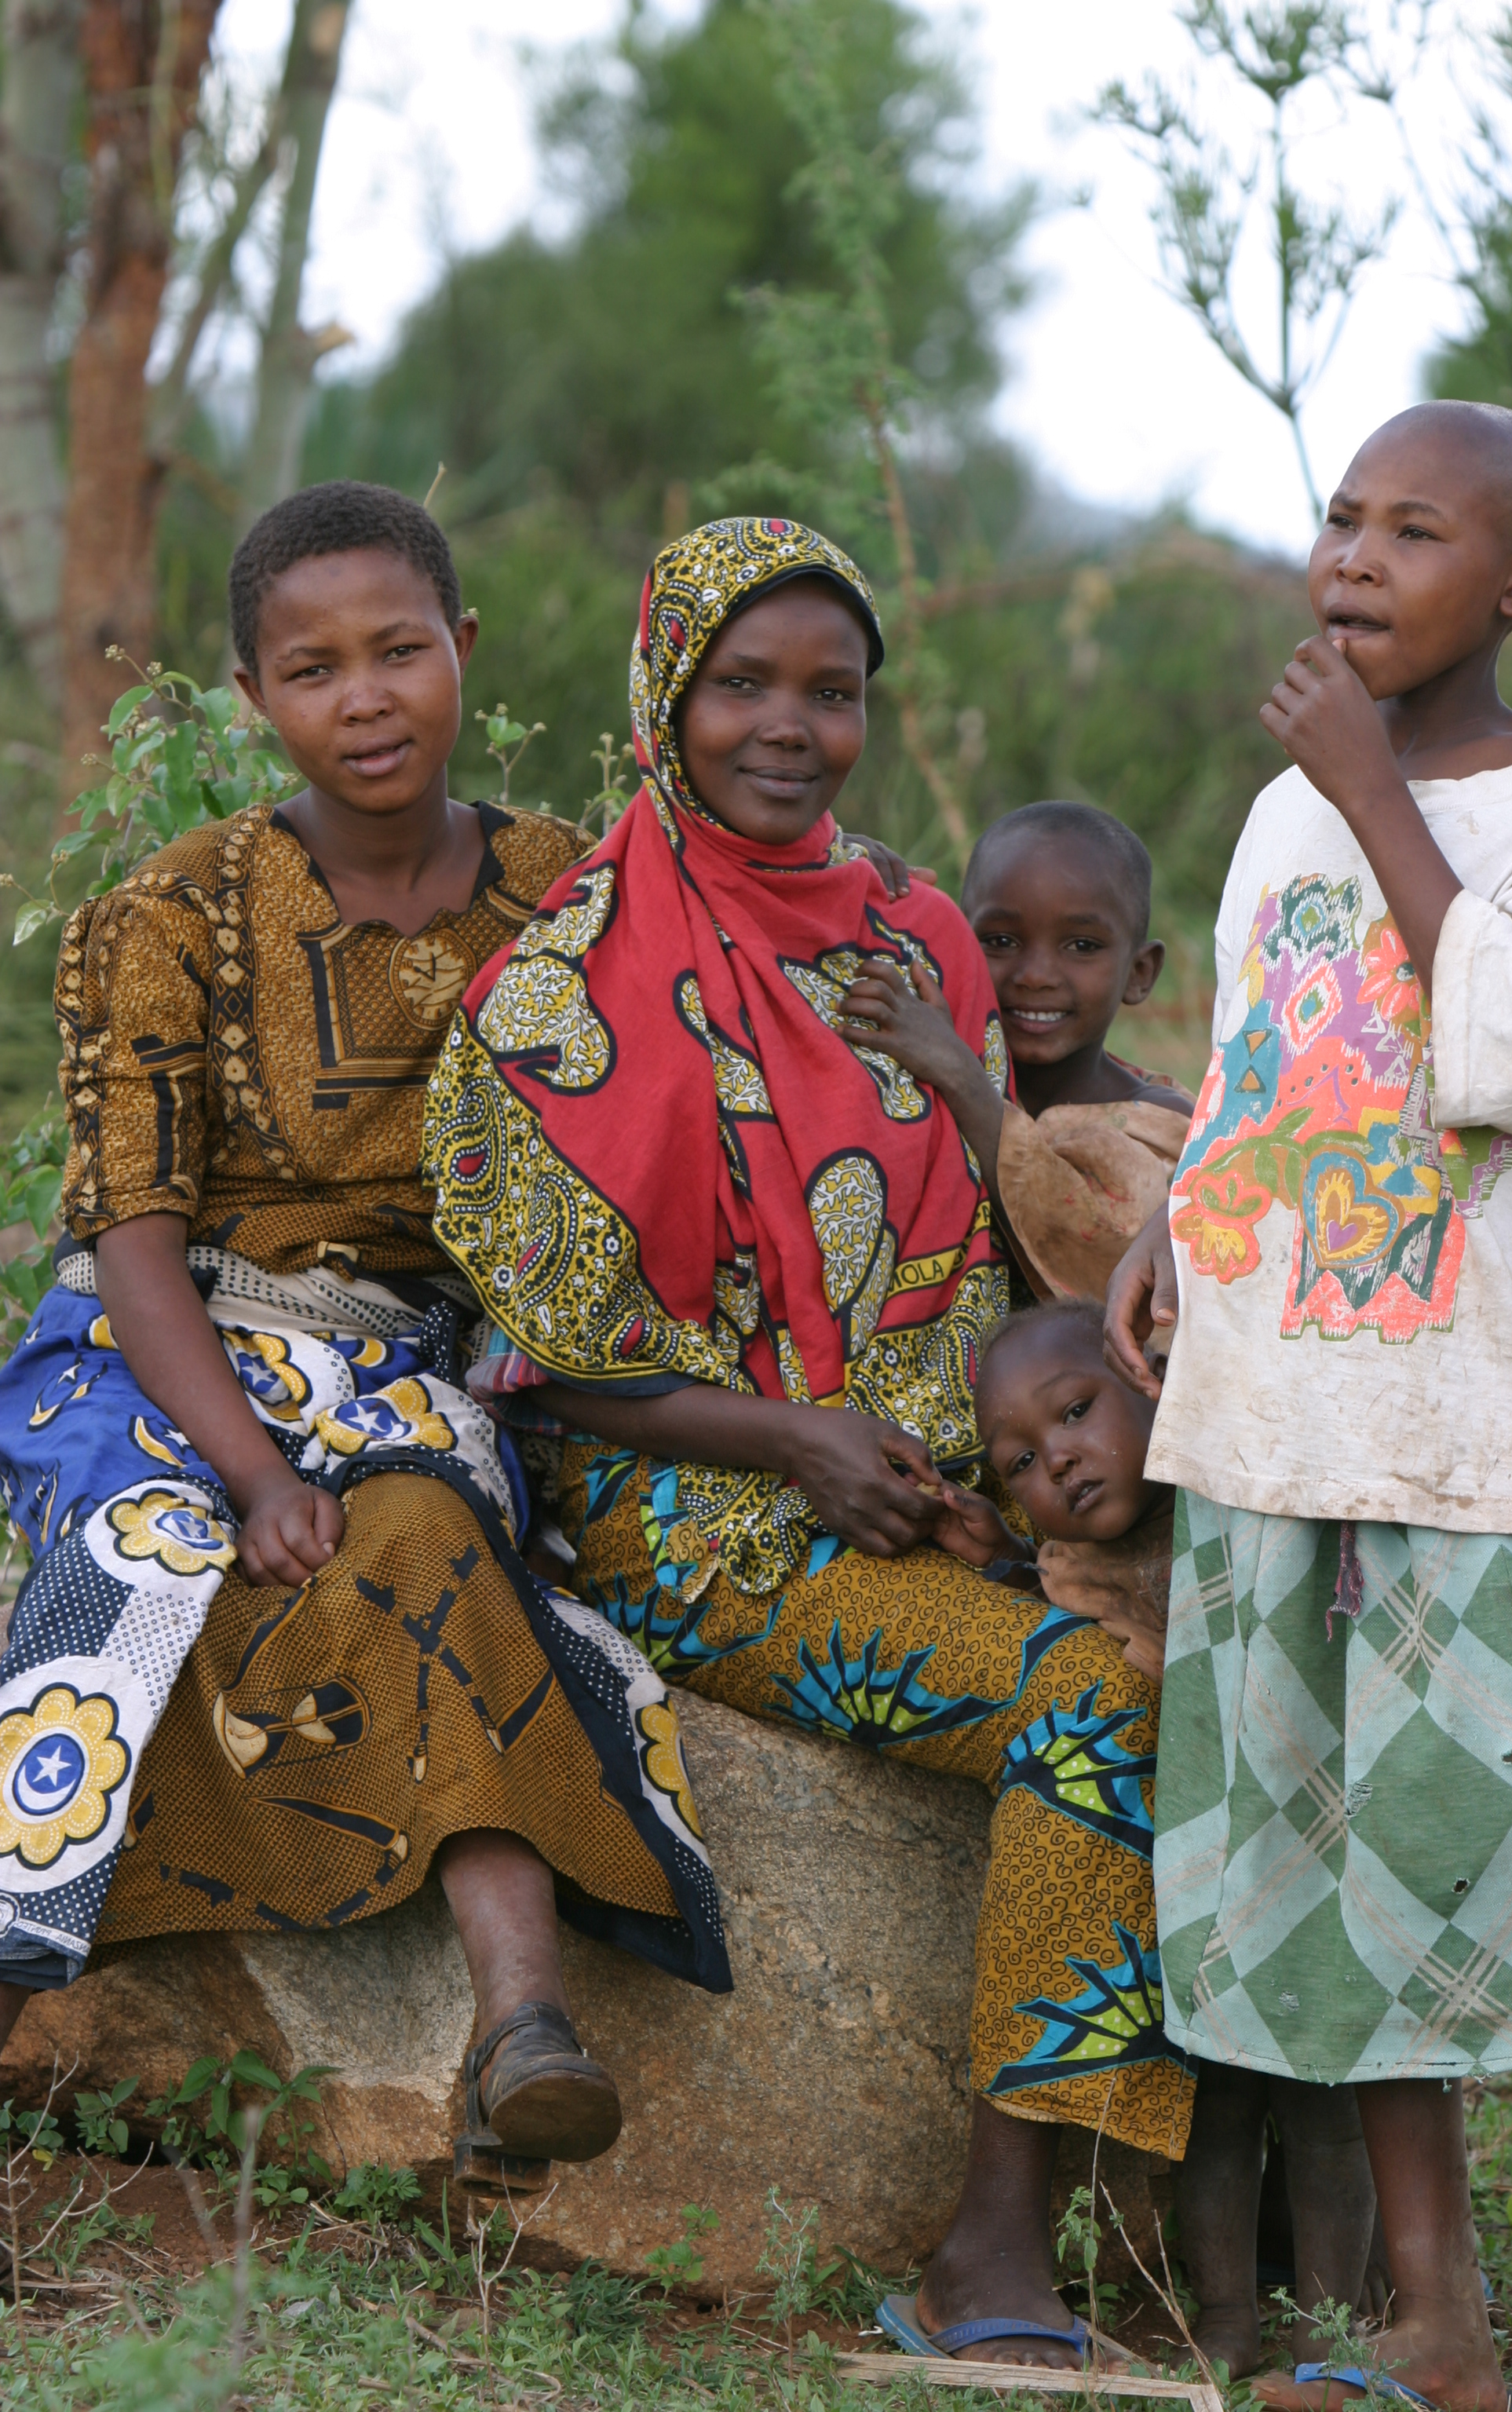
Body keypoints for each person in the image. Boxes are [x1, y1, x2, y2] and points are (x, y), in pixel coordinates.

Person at [425, 516, 1192, 2369]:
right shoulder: (561, 987)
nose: (788, 724)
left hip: (944, 1488)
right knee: (1088, 1690)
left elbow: (995, 1236)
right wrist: (798, 1439)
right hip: (708, 1519)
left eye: (830, 690)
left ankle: (1196, 2240)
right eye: (742, 682)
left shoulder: (915, 932)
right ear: (664, 693)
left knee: (1185, 1650)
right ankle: (986, 2249)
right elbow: (555, 1363)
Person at [0, 481, 732, 2188]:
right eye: (314, 668)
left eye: (400, 650)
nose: (366, 695)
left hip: (411, 1359)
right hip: (165, 1354)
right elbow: (131, 1246)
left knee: (426, 1535)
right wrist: (251, 1475)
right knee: (135, 1577)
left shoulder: (566, 892)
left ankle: (521, 2020)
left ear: (462, 653)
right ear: (254, 701)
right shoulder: (168, 917)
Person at [1106, 400, 1512, 2412]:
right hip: (1285, 1413)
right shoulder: (1278, 813)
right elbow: (1258, 1060)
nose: (1355, 556)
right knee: (1362, 1880)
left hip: (1484, 1442)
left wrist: (1369, 786)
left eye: (1414, 529)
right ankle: (1440, 2324)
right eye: (1339, 516)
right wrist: (1172, 1212)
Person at [944, 1300, 1384, 2380]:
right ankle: (1224, 2322)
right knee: (1220, 2112)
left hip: (1326, 1867)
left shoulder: (1240, 1493)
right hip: (1202, 1885)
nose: (1060, 1459)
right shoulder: (1075, 1575)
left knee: (1329, 2114)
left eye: (1078, 1413)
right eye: (1022, 1461)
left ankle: (1334, 2332)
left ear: (1152, 1384)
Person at [835, 800, 1193, 1302]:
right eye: (1000, 940)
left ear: (1140, 973)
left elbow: (1100, 1246)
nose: (1035, 975)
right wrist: (837, 869)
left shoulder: (1163, 1126)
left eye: (1082, 946)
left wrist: (959, 1076)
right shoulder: (913, 1047)